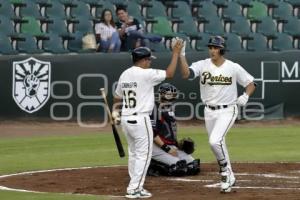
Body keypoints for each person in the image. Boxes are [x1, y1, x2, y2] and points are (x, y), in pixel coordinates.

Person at [178, 36, 256, 192]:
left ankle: (225, 173)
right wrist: (181, 55)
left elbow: (251, 83)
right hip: (209, 111)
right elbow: (186, 74)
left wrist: (246, 96)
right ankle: (231, 176)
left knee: (215, 142)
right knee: (220, 144)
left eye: (215, 47)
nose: (212, 50)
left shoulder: (233, 67)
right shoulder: (202, 64)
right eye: (211, 47)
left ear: (222, 49)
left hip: (228, 109)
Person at [112, 40, 183, 198]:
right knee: (144, 154)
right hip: (140, 119)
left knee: (134, 153)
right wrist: (176, 54)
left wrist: (114, 112)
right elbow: (170, 74)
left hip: (126, 118)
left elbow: (117, 97)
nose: (150, 62)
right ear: (143, 60)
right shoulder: (146, 74)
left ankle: (136, 185)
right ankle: (134, 188)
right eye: (149, 59)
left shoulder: (125, 74)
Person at [147, 83, 200, 176]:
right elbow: (152, 133)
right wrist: (167, 149)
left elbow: (169, 131)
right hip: (157, 147)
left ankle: (161, 162)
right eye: (171, 94)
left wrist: (177, 145)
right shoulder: (154, 108)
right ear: (164, 94)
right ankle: (152, 165)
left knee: (193, 166)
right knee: (179, 168)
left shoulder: (169, 108)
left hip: (170, 145)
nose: (173, 96)